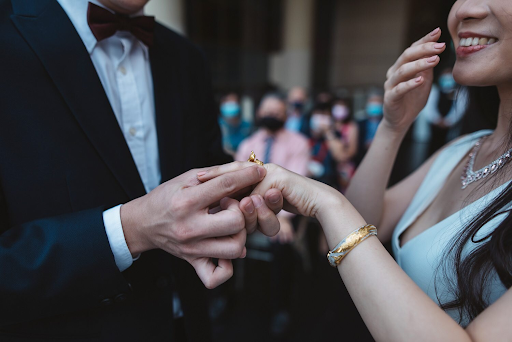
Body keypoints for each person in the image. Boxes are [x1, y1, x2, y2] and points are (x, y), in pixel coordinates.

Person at [201, 0, 512, 339]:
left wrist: (327, 201)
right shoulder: (462, 150)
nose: (465, 8)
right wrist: (393, 126)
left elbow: (347, 220)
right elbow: (364, 221)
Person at [0, 1, 282, 341]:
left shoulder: (186, 57)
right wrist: (130, 230)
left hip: (187, 324)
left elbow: (203, 169)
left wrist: (240, 200)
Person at [236, 94, 310, 335]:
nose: (273, 115)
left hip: (284, 211)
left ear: (286, 115)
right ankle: (226, 297)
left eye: (279, 112)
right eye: (268, 111)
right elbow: (237, 182)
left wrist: (283, 220)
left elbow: (297, 184)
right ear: (258, 114)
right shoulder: (248, 143)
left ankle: (281, 307)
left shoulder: (299, 143)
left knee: (282, 247)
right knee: (221, 235)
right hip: (247, 208)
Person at [421, 67, 469, 156]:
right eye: (445, 76)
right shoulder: (434, 90)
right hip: (434, 127)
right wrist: (436, 119)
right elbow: (428, 107)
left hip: (449, 127)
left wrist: (449, 121)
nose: (447, 80)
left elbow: (460, 109)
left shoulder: (458, 92)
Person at [331, 98, 359, 191]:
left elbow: (352, 151)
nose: (339, 109)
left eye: (343, 106)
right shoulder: (329, 126)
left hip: (344, 168)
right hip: (329, 167)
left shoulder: (351, 126)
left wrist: (341, 156)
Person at [218, 92, 252, 157]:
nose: (230, 105)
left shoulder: (246, 126)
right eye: (228, 102)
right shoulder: (218, 125)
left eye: (233, 102)